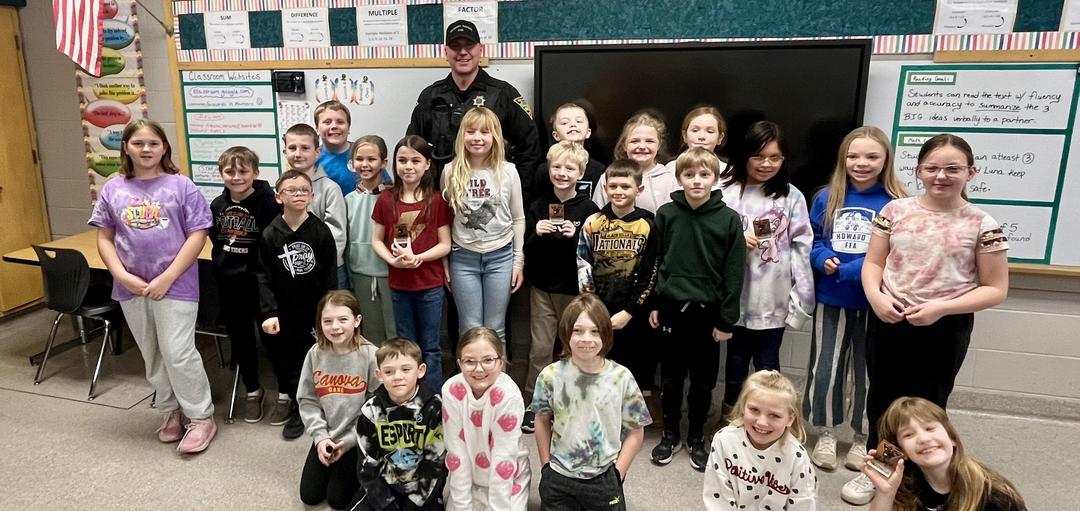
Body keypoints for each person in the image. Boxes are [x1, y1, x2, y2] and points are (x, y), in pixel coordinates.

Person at [842, 134, 1009, 505]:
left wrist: (940, 308)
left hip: (944, 328)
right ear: (918, 171)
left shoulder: (982, 224)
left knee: (929, 405)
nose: (941, 176)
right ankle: (883, 473)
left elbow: (996, 288)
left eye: (953, 169)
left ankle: (921, 478)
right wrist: (876, 296)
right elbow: (873, 263)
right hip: (890, 318)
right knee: (883, 402)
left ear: (971, 172)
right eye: (932, 168)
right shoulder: (895, 211)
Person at [89, 119, 216, 454]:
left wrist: (167, 277)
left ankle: (201, 417)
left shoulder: (181, 185)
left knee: (178, 352)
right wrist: (120, 273)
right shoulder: (113, 188)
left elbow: (198, 234)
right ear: (126, 147)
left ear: (164, 148)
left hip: (175, 284)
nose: (146, 150)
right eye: (139, 144)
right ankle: (168, 409)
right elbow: (104, 236)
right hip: (131, 285)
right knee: (152, 353)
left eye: (153, 144)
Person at [803, 127, 907, 471]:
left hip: (875, 301)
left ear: (885, 160)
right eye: (853, 156)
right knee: (826, 368)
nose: (861, 163)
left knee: (868, 373)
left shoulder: (897, 202)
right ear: (842, 159)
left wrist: (849, 271)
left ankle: (863, 437)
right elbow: (814, 239)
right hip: (831, 298)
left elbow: (894, 252)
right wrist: (821, 258)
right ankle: (828, 431)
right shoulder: (827, 196)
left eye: (871, 156)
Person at [648, 148, 745, 471]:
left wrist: (726, 319)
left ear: (715, 179)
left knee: (703, 384)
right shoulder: (666, 214)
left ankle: (696, 438)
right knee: (672, 380)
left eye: (704, 175)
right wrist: (656, 305)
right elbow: (655, 261)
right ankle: (671, 434)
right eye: (689, 175)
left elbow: (734, 273)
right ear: (680, 178)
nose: (696, 181)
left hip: (709, 315)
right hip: (672, 309)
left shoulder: (729, 219)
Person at [720, 121, 814, 416]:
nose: (766, 164)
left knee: (768, 364)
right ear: (743, 155)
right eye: (758, 156)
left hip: (772, 300)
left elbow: (802, 249)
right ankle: (730, 420)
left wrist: (802, 301)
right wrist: (732, 241)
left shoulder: (791, 196)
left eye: (775, 157)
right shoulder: (722, 190)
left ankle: (769, 419)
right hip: (732, 299)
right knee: (734, 363)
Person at [533, 293, 651, 510]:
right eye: (577, 330)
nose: (586, 338)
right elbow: (541, 420)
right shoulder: (550, 376)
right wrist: (545, 467)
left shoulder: (622, 377)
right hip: (558, 476)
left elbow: (636, 432)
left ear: (606, 334)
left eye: (595, 331)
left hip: (604, 477)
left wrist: (618, 473)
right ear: (566, 333)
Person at [522, 140, 600, 432]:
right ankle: (535, 402)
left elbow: (592, 253)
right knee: (540, 348)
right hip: (542, 288)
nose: (562, 173)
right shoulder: (538, 205)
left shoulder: (590, 208)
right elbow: (526, 249)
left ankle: (574, 401)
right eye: (557, 167)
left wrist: (576, 234)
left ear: (580, 173)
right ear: (549, 169)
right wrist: (537, 233)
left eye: (570, 168)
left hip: (574, 291)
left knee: (574, 347)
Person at [407, 19, 540, 191]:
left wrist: (517, 193)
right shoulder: (430, 96)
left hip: (493, 200)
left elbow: (530, 148)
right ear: (445, 52)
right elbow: (413, 149)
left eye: (469, 45)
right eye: (455, 46)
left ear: (480, 49)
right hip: (441, 197)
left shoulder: (504, 94)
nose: (463, 52)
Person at [576, 159, 660, 421]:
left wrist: (630, 310)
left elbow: (651, 272)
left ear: (639, 189)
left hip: (634, 310)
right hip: (599, 307)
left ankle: (632, 415)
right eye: (613, 185)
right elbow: (583, 263)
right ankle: (599, 412)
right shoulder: (593, 222)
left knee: (636, 362)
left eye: (626, 185)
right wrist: (591, 306)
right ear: (605, 187)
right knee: (600, 360)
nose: (619, 191)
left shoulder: (649, 225)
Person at [256, 170, 338, 440]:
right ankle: (297, 406)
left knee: (319, 359)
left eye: (304, 190)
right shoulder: (270, 233)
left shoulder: (321, 231)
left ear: (312, 196)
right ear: (279, 196)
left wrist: (329, 312)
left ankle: (323, 406)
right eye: (292, 190)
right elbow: (263, 275)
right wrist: (269, 312)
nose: (299, 194)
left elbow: (329, 275)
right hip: (284, 311)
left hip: (314, 311)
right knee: (288, 362)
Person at [371, 135, 453, 389]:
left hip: (430, 285)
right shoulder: (386, 199)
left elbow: (445, 244)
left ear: (427, 164)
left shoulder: (437, 200)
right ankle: (407, 396)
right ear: (394, 163)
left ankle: (433, 399)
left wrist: (419, 257)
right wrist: (394, 262)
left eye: (415, 161)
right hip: (399, 285)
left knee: (430, 346)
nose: (409, 166)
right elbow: (376, 241)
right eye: (402, 160)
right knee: (406, 345)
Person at [441, 107, 525, 346]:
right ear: (462, 136)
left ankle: (497, 383)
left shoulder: (508, 171)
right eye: (471, 131)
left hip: (500, 257)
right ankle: (467, 383)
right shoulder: (450, 171)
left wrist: (518, 261)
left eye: (485, 132)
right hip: (463, 257)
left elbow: (518, 219)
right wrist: (444, 260)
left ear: (495, 136)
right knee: (469, 328)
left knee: (495, 330)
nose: (477, 137)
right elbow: (444, 220)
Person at [208, 146, 280, 423]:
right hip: (230, 283)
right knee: (240, 340)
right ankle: (253, 389)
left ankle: (285, 391)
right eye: (230, 171)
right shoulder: (217, 205)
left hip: (262, 283)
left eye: (243, 171)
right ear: (221, 174)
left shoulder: (270, 204)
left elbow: (273, 243)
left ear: (255, 172)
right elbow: (217, 239)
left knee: (273, 338)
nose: (236, 176)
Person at [863, 397, 1026, 511]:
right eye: (908, 435)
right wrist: (886, 493)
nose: (924, 439)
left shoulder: (995, 497)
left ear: (952, 438)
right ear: (901, 451)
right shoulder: (906, 485)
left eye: (930, 428)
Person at [297, 291, 379, 509]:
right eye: (328, 321)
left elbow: (377, 406)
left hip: (356, 439)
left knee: (337, 500)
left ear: (357, 320)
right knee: (310, 495)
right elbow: (307, 400)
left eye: (343, 319)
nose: (335, 327)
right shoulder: (315, 354)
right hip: (326, 435)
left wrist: (351, 440)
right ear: (320, 323)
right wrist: (320, 438)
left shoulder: (371, 356)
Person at [442, 327, 531, 510]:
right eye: (469, 361)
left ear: (501, 361)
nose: (479, 369)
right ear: (459, 363)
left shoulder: (509, 396)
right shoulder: (451, 390)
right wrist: (462, 506)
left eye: (488, 360)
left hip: (509, 478)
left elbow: (503, 459)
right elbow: (456, 453)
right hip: (471, 477)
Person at [352, 338, 446, 511]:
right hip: (384, 486)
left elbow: (436, 464)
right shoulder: (370, 411)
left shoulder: (434, 408)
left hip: (422, 489)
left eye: (406, 369)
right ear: (379, 375)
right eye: (389, 372)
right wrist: (385, 504)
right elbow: (367, 463)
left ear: (420, 371)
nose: (398, 377)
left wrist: (412, 504)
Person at [702, 370, 817, 510]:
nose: (762, 422)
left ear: (790, 419)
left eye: (774, 415)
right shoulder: (724, 441)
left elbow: (803, 504)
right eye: (754, 410)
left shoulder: (797, 457)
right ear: (743, 408)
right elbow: (717, 497)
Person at [283, 123, 348, 290]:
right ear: (285, 152)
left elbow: (337, 235)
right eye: (292, 148)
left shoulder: (330, 189)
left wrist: (316, 264)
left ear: (317, 152)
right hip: (294, 269)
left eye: (305, 148)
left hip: (327, 268)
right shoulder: (281, 188)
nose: (298, 154)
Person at [346, 135, 396, 345]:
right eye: (359, 159)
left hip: (392, 275)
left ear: (384, 162)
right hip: (361, 275)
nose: (365, 165)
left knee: (396, 333)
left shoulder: (395, 197)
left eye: (372, 159)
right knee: (371, 335)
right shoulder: (348, 200)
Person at [592, 110, 673, 212]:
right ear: (625, 145)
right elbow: (597, 216)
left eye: (649, 141)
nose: (642, 146)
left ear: (659, 145)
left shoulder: (669, 179)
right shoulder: (608, 177)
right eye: (635, 141)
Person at [532, 102, 607, 200]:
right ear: (556, 135)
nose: (573, 125)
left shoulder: (599, 169)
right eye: (564, 122)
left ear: (588, 132)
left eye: (579, 121)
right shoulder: (544, 170)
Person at [663, 105, 729, 179]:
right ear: (685, 135)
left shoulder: (729, 173)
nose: (701, 136)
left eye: (710, 131)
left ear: (720, 138)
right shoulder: (670, 170)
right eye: (695, 130)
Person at [314, 100, 357, 196]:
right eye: (327, 122)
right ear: (317, 128)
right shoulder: (312, 158)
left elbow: (385, 185)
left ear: (348, 127)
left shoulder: (363, 153)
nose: (334, 126)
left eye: (340, 122)